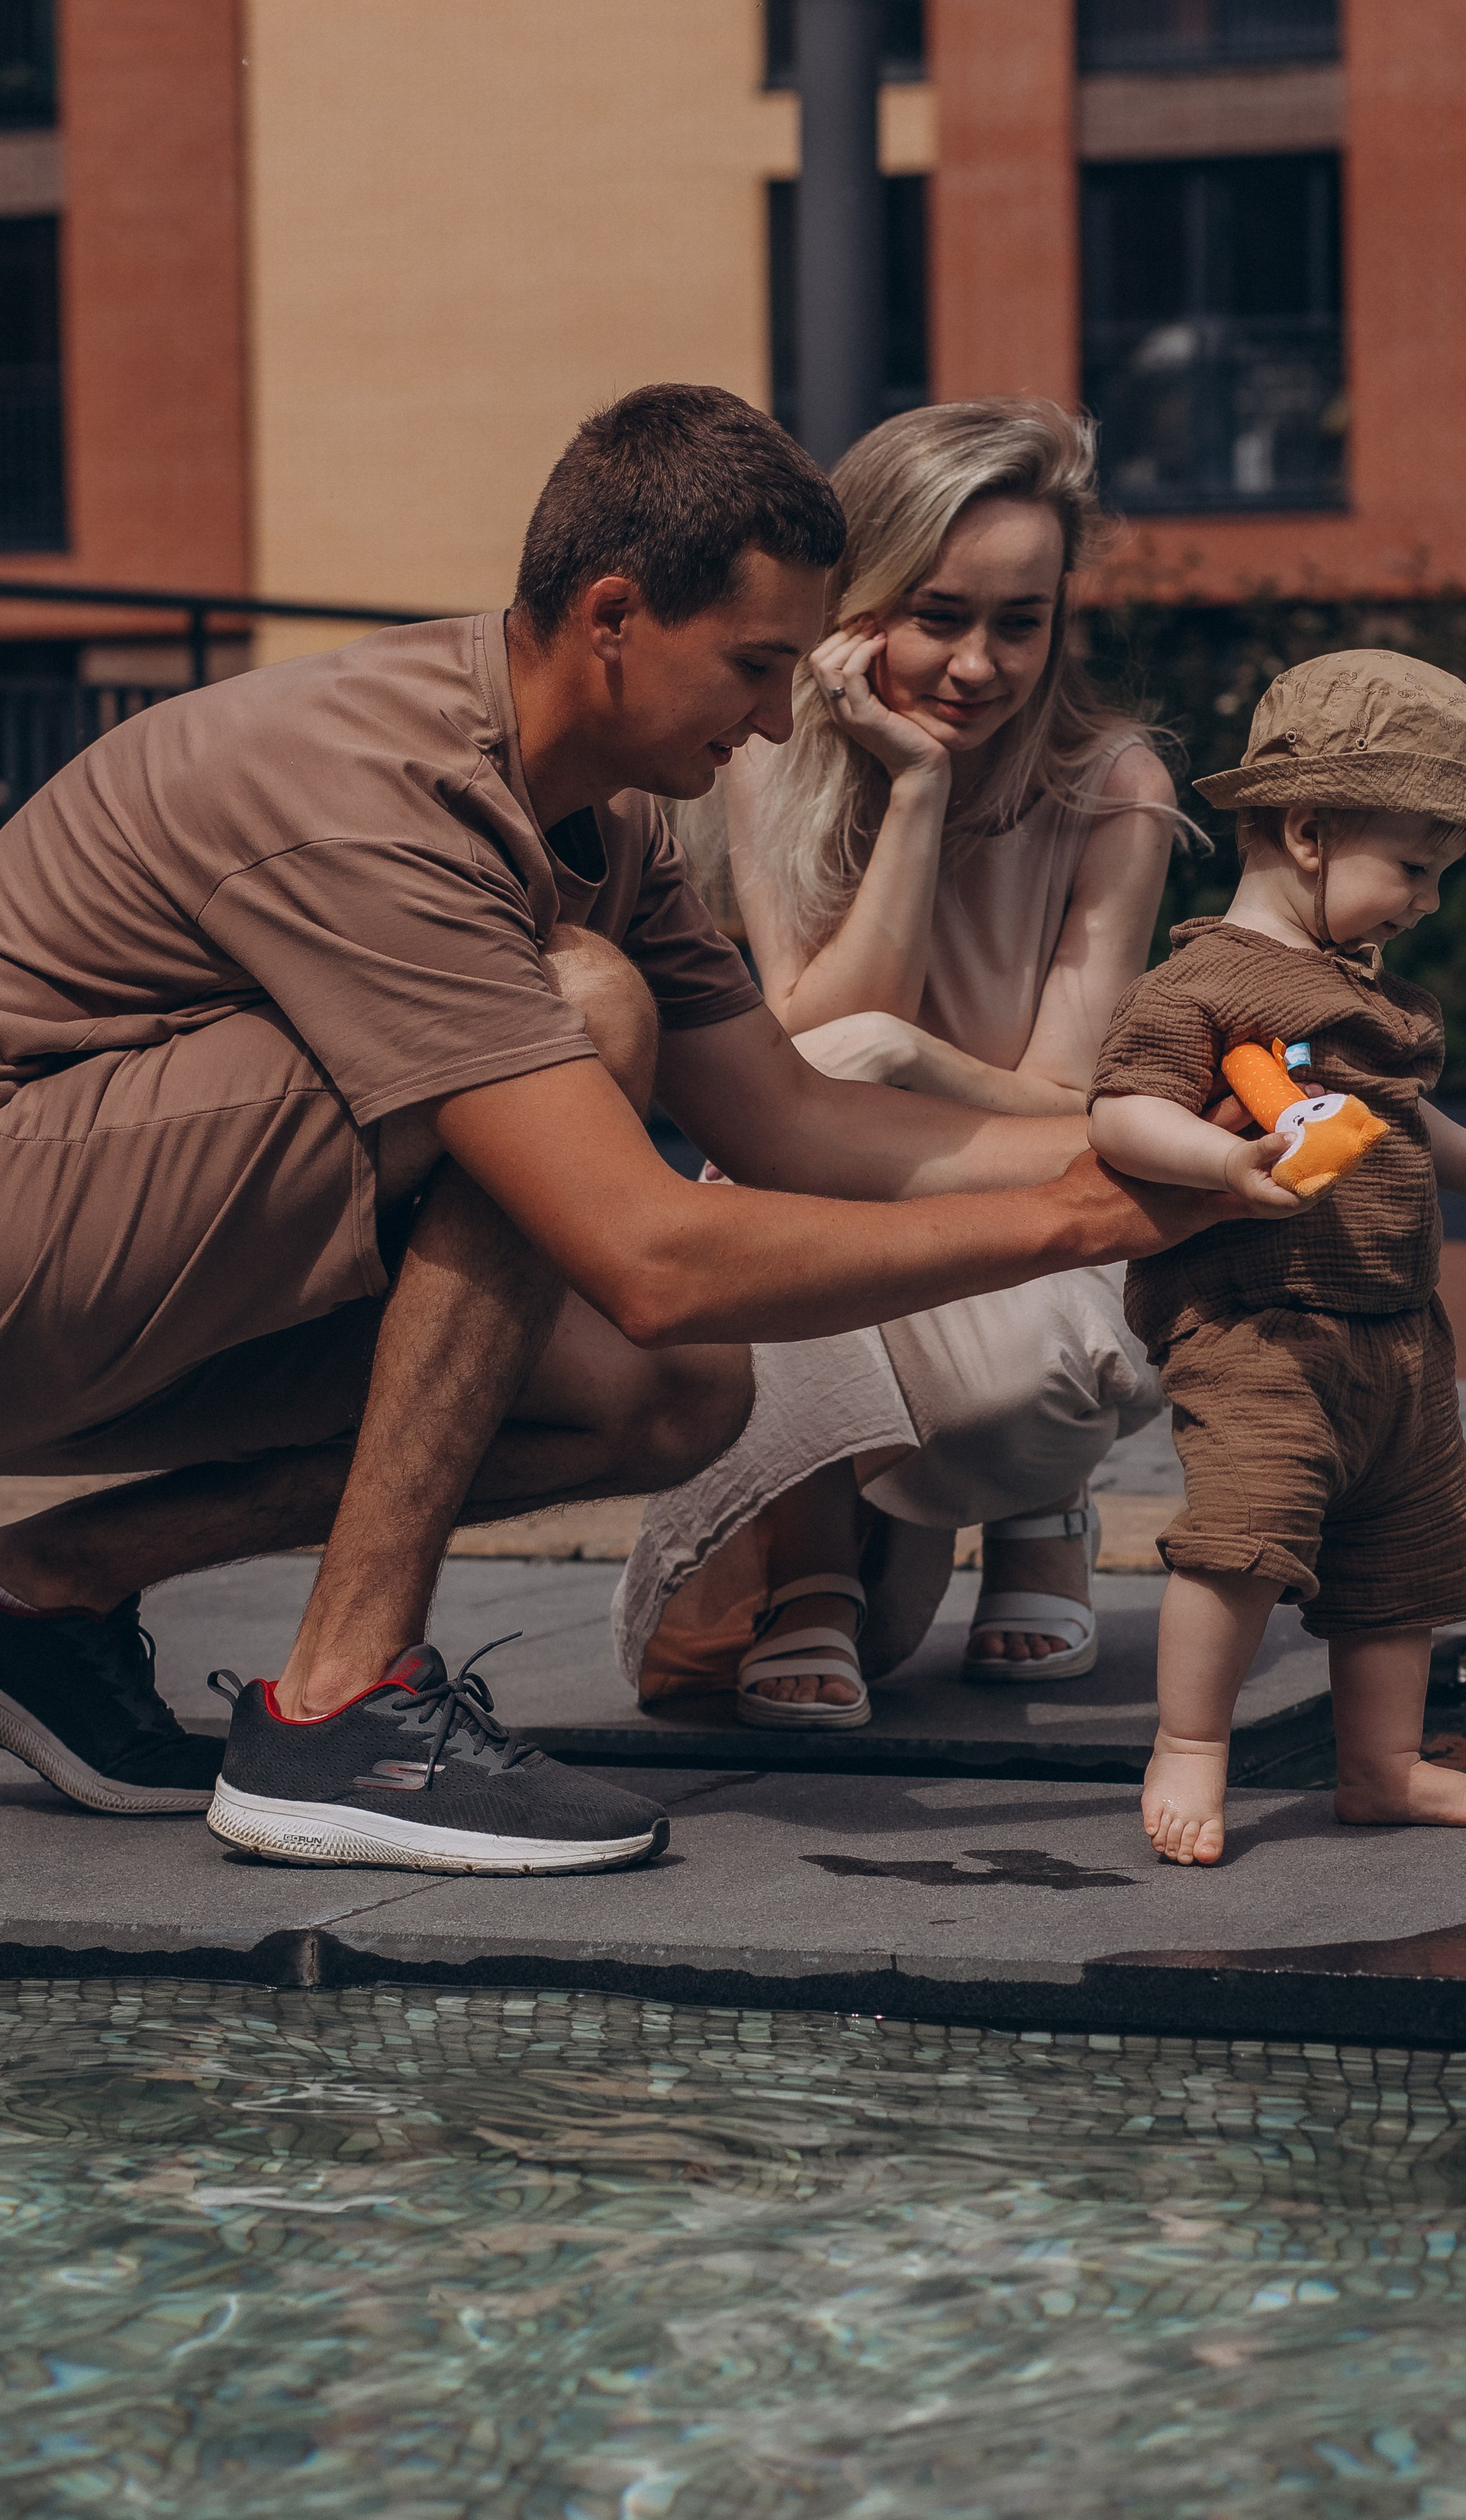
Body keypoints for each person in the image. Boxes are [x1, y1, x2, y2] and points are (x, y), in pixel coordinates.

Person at [0, 385, 1226, 1875]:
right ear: (612, 616)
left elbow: (795, 1121)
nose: (778, 719)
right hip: (29, 1235)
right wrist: (1086, 1222)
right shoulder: (382, 788)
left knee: (670, 1397)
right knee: (584, 1006)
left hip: (114, 1274)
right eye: (754, 667)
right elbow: (649, 1257)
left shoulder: (615, 818)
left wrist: (1172, 1146)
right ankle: (338, 1709)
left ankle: (50, 1589)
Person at [620, 400, 1191, 1727]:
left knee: (1015, 1379)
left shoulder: (1116, 788)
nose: (980, 665)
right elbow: (813, 1055)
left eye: (1020, 622)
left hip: (1031, 1204)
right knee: (778, 1170)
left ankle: (1043, 1508)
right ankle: (816, 1558)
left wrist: (908, 1055)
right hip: (832, 1182)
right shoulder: (778, 754)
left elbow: (1074, 1106)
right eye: (939, 616)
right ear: (860, 607)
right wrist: (916, 793)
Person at [1085, 648, 1466, 1867]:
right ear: (1308, 832)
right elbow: (1121, 1114)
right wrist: (1226, 1164)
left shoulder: (1369, 998)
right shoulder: (1204, 982)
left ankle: (1380, 1766)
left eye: (1441, 875)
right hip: (1259, 1324)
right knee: (1244, 1534)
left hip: (1398, 1331)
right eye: (1414, 868)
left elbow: (1404, 1121)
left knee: (1405, 1561)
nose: (1429, 900)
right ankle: (1189, 1746)